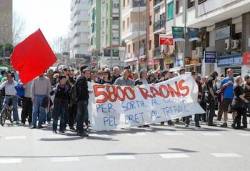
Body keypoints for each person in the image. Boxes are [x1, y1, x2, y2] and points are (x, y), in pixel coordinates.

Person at [75, 66, 91, 136]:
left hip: (80, 100)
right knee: (81, 116)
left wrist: (87, 92)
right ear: (83, 73)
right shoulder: (82, 79)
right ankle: (80, 130)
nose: (88, 75)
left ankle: (79, 129)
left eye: (89, 73)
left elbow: (81, 90)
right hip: (82, 100)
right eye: (87, 73)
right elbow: (81, 91)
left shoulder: (81, 79)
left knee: (80, 116)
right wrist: (86, 94)